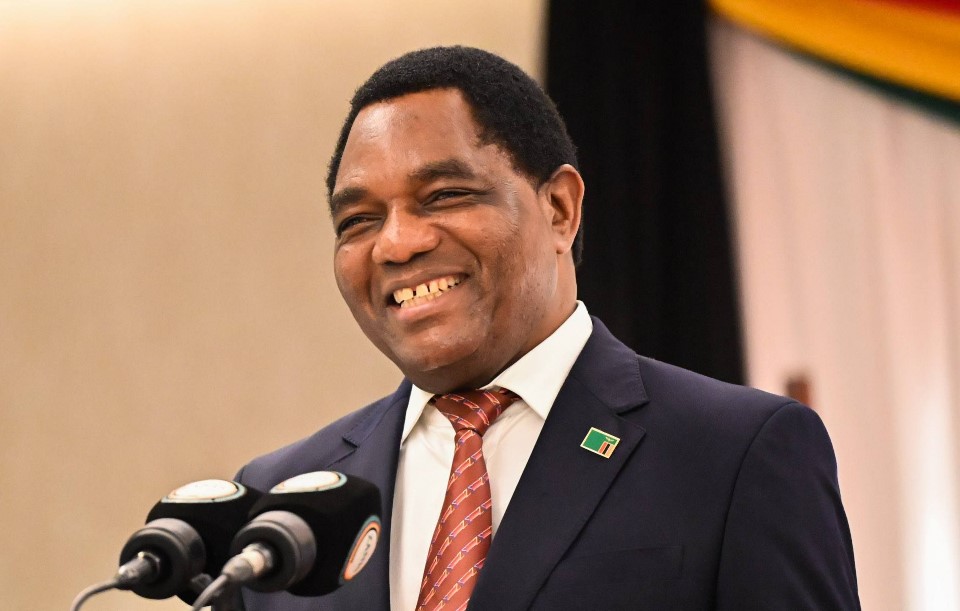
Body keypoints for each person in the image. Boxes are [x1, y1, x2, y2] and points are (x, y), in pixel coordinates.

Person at [236, 46, 859, 610]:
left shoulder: (735, 453)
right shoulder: (278, 501)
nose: (396, 244)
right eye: (358, 221)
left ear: (560, 208)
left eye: (444, 195)